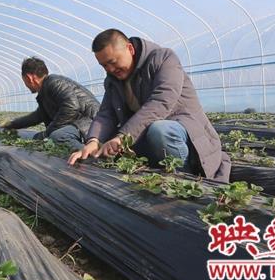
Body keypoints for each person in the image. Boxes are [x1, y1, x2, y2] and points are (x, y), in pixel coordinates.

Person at [68, 29, 231, 182]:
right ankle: (160, 175)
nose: (110, 69)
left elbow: (161, 102)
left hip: (184, 132)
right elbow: (106, 114)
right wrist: (93, 141)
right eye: (104, 66)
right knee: (109, 150)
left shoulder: (164, 59)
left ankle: (186, 179)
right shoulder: (113, 81)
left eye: (113, 62)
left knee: (160, 130)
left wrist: (122, 136)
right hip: (146, 135)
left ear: (130, 49)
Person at [0, 57, 100, 150]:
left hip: (92, 122)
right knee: (38, 138)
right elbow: (37, 116)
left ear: (29, 78)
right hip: (80, 123)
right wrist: (12, 124)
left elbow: (71, 107)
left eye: (24, 80)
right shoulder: (45, 91)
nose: (25, 84)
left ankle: (92, 156)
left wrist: (49, 131)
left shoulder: (54, 82)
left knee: (58, 136)